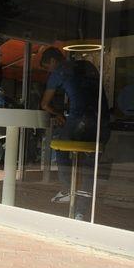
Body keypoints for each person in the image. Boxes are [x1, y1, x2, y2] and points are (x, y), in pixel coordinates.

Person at [40, 47, 109, 220]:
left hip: (81, 121)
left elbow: (44, 104)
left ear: (53, 61)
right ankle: (80, 213)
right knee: (90, 167)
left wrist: (58, 114)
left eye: (48, 67)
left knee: (59, 144)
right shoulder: (88, 65)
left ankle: (68, 189)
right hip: (103, 123)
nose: (49, 71)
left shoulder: (59, 71)